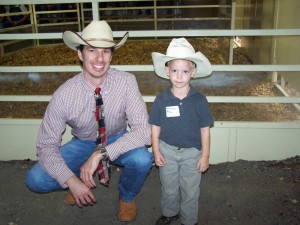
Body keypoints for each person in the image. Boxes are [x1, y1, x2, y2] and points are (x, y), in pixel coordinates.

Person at [25, 20, 153, 222]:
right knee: (35, 179)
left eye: (106, 51)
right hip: (83, 142)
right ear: (80, 54)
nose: (100, 58)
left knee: (143, 159)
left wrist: (101, 154)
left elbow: (145, 132)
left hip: (116, 138)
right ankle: (78, 182)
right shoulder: (64, 95)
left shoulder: (126, 81)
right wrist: (70, 180)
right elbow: (46, 145)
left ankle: (127, 196)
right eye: (92, 50)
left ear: (112, 55)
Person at [149, 38, 214, 225]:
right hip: (166, 150)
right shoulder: (161, 100)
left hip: (192, 153)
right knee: (168, 187)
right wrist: (156, 151)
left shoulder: (199, 100)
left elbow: (205, 130)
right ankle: (170, 213)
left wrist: (205, 156)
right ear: (166, 71)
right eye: (174, 71)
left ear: (193, 72)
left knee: (190, 189)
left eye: (185, 71)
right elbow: (155, 127)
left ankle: (189, 220)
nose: (179, 76)